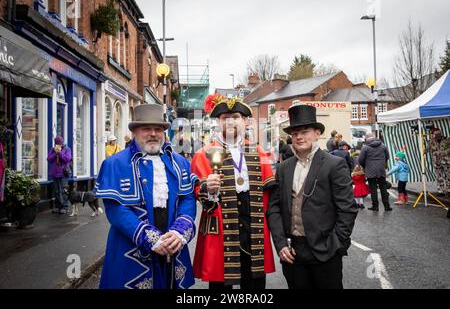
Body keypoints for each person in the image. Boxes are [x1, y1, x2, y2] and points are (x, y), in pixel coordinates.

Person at [95, 104, 198, 289]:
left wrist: (179, 231)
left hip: (172, 247)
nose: (153, 133)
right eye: (146, 129)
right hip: (131, 248)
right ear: (134, 131)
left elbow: (187, 198)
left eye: (158, 129)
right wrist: (150, 238)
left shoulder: (180, 162)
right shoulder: (115, 164)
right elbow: (116, 210)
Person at [191, 94, 276, 289]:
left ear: (245, 121)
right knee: (220, 286)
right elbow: (197, 194)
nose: (230, 121)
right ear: (218, 122)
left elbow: (270, 197)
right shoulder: (203, 154)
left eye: (236, 116)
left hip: (253, 228)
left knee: (254, 285)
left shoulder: (260, 152)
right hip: (221, 229)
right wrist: (207, 190)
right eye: (224, 118)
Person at [268, 105, 357, 289]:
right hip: (293, 252)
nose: (299, 136)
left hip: (326, 252)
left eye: (304, 131)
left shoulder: (335, 164)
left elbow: (347, 209)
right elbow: (275, 207)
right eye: (294, 133)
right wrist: (280, 244)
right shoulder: (284, 168)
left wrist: (337, 245)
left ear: (317, 133)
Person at [358, 133, 392, 212]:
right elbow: (387, 156)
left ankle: (375, 206)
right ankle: (387, 206)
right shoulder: (383, 146)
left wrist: (365, 166)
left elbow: (360, 160)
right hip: (381, 169)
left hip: (370, 170)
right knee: (383, 187)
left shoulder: (365, 147)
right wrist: (382, 163)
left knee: (373, 189)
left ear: (366, 139)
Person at [47, 135, 72, 214]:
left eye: (59, 143)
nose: (58, 145)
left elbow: (67, 159)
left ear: (62, 142)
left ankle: (65, 206)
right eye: (57, 143)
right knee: (57, 191)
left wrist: (60, 153)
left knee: (64, 191)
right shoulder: (53, 149)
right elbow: (49, 159)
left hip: (64, 173)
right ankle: (58, 206)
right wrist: (55, 153)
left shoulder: (67, 149)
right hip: (55, 173)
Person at [429, 128, 450, 196]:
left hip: (446, 161)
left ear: (441, 133)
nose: (437, 135)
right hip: (437, 162)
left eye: (438, 133)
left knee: (448, 176)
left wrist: (442, 152)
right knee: (439, 176)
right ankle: (441, 191)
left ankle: (449, 190)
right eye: (435, 134)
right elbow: (427, 149)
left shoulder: (447, 139)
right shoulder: (431, 141)